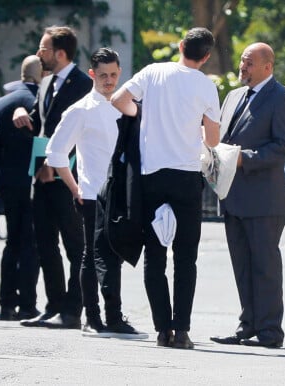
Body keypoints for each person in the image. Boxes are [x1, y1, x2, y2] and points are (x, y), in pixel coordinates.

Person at [111, 27, 221, 348]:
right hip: (186, 176)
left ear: (181, 46)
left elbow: (119, 100)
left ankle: (162, 329)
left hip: (152, 175)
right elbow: (212, 140)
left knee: (155, 256)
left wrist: (143, 115)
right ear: (206, 56)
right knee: (186, 256)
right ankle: (182, 330)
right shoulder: (206, 86)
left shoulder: (153, 71)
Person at [46, 47, 147, 338]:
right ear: (92, 74)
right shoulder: (80, 110)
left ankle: (112, 316)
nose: (109, 80)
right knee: (91, 256)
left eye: (114, 75)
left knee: (114, 255)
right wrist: (75, 187)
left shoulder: (127, 104)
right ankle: (93, 317)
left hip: (121, 194)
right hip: (91, 194)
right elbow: (55, 153)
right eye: (103, 75)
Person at [210, 42, 285, 348]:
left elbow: (284, 145)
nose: (242, 67)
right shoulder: (234, 95)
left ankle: (270, 332)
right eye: (242, 61)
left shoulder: (283, 97)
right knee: (242, 266)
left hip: (264, 200)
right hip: (232, 197)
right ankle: (247, 326)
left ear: (267, 67)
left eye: (249, 62)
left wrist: (243, 158)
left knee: (265, 267)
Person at [13, 25, 92, 329]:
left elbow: (81, 132)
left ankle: (73, 310)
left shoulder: (83, 85)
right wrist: (22, 111)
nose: (38, 54)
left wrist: (56, 164)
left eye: (43, 49)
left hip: (68, 177)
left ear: (60, 53)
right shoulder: (47, 83)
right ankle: (53, 305)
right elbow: (42, 123)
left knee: (75, 246)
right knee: (44, 242)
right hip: (41, 176)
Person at [0, 55, 42, 321]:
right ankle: (28, 304)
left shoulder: (1, 104)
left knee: (12, 244)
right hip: (36, 180)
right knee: (31, 244)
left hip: (8, 181)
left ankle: (6, 303)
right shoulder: (41, 101)